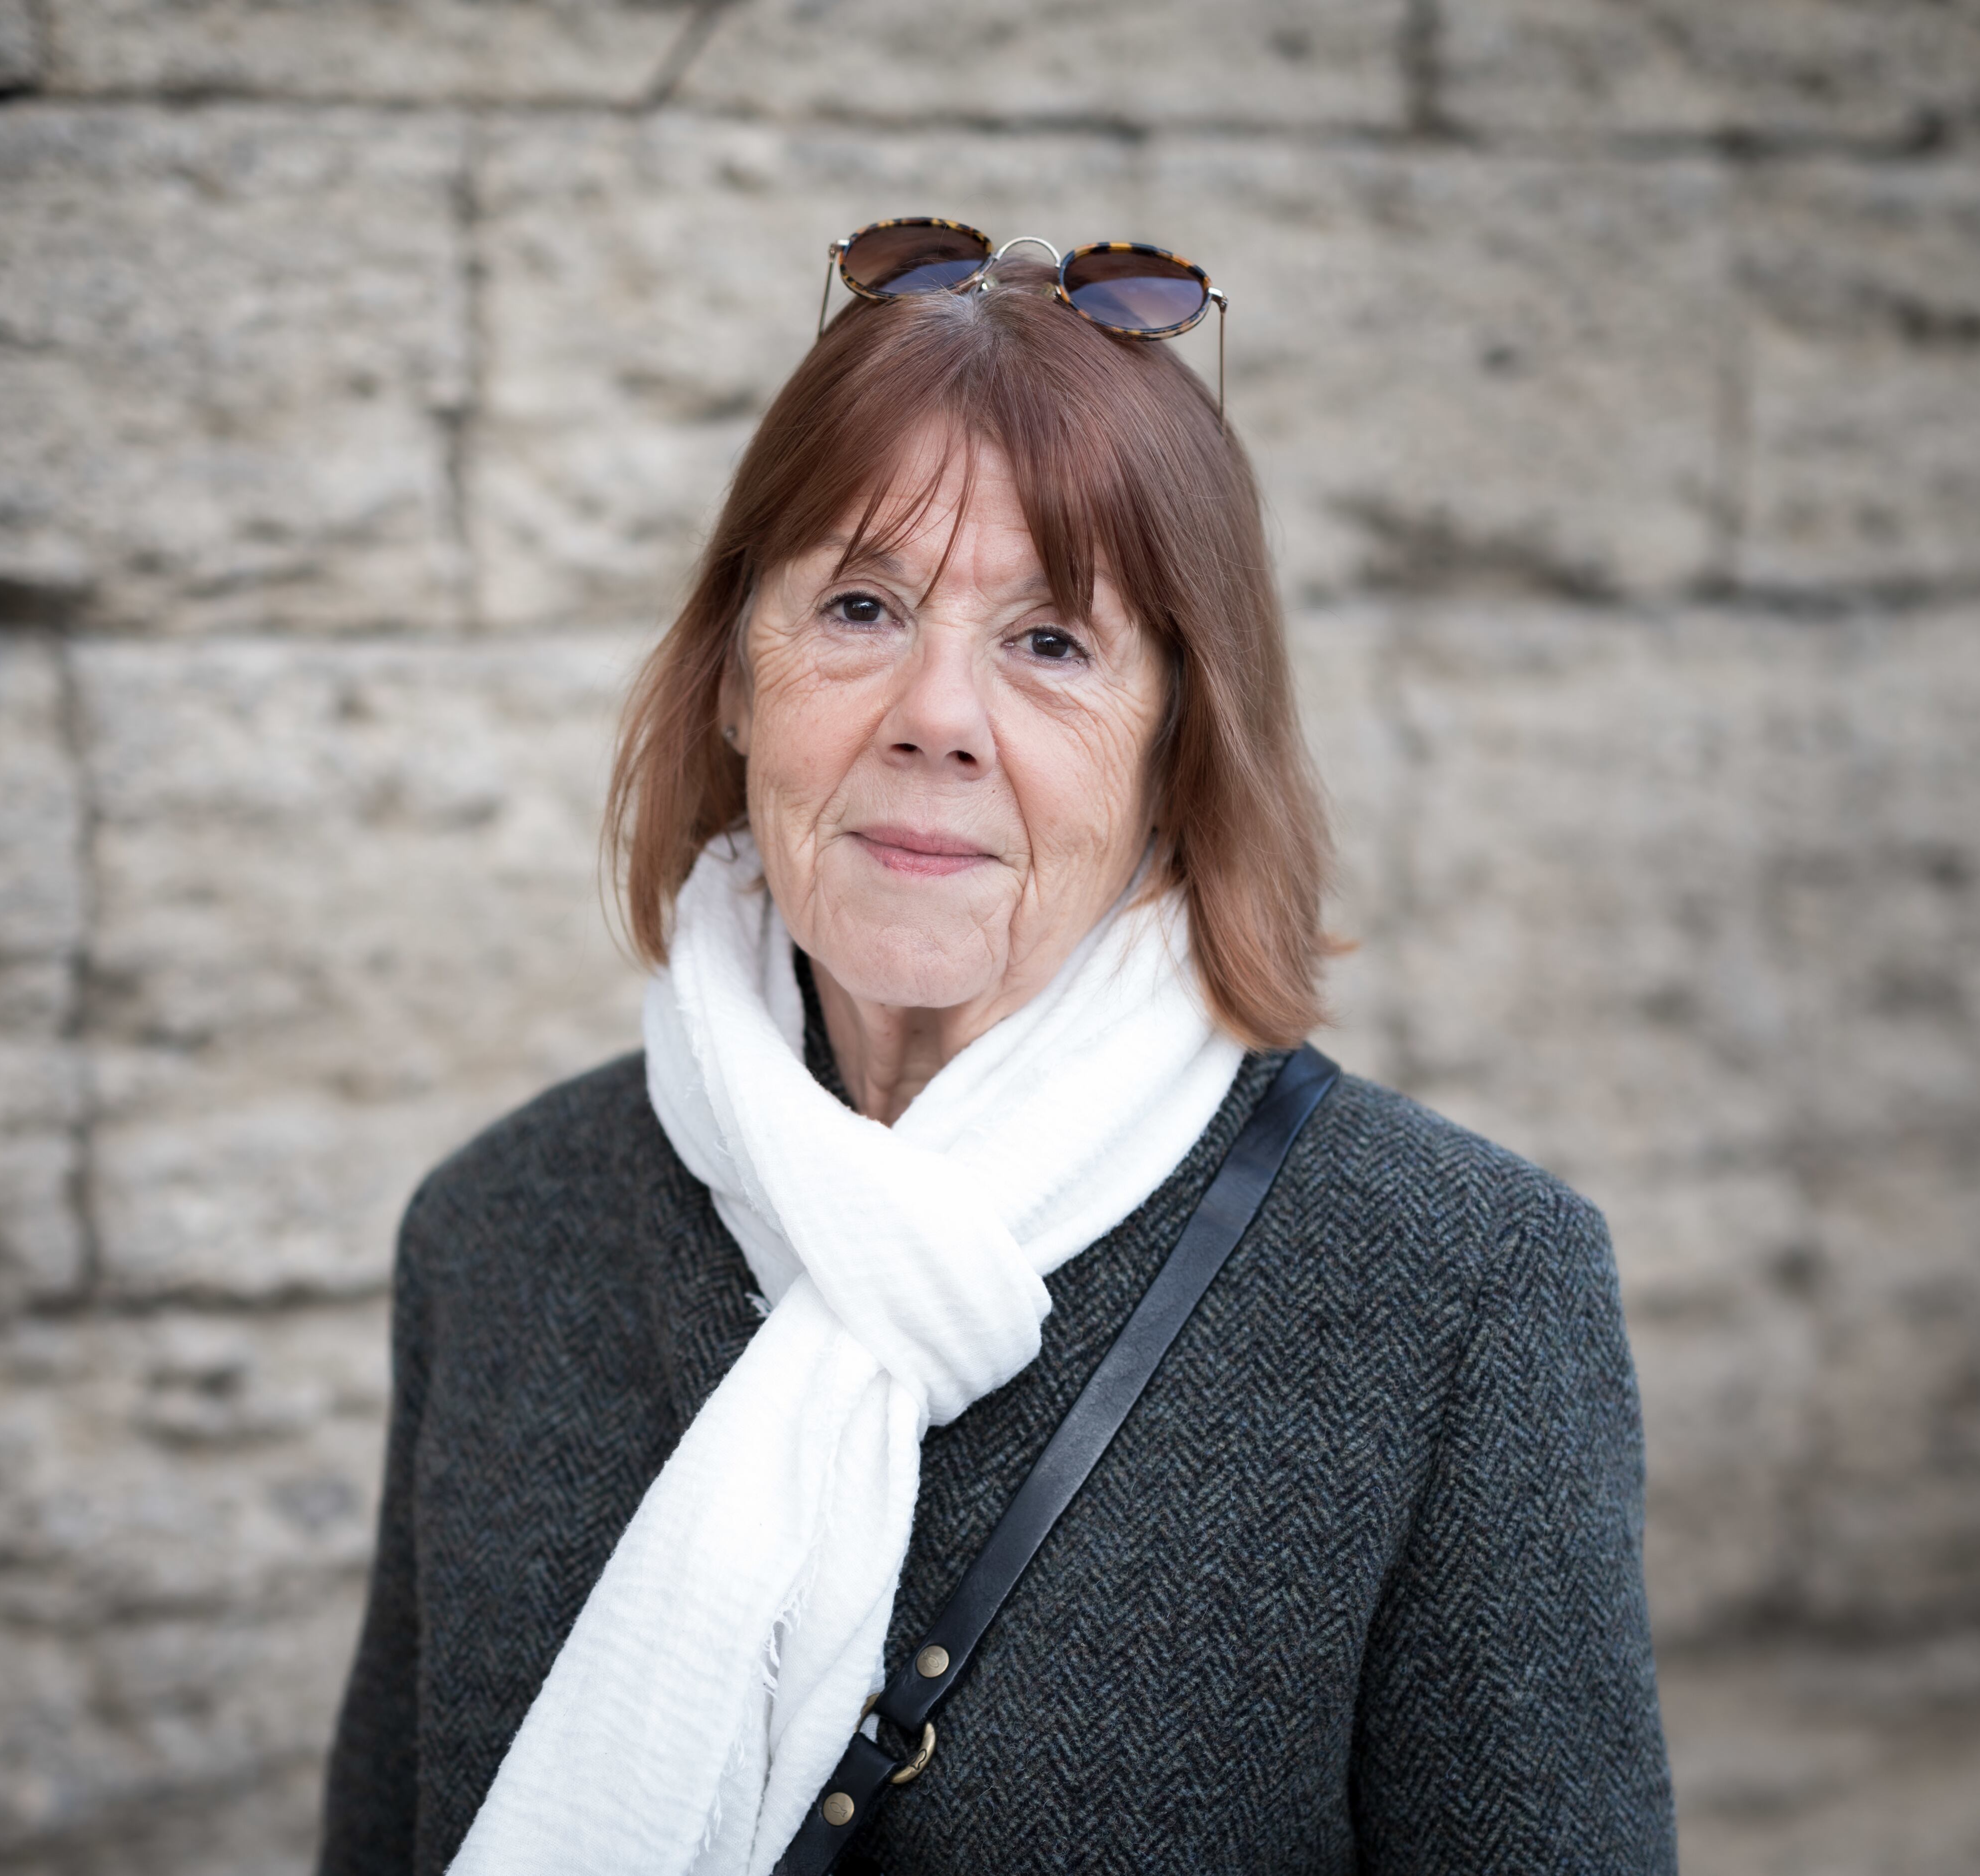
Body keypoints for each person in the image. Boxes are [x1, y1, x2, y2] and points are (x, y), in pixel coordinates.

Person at [319, 223, 1674, 1876]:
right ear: (739, 678)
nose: (935, 713)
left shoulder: (1454, 1295)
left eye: (1052, 643)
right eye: (862, 605)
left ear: (1178, 736)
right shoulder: (500, 1232)